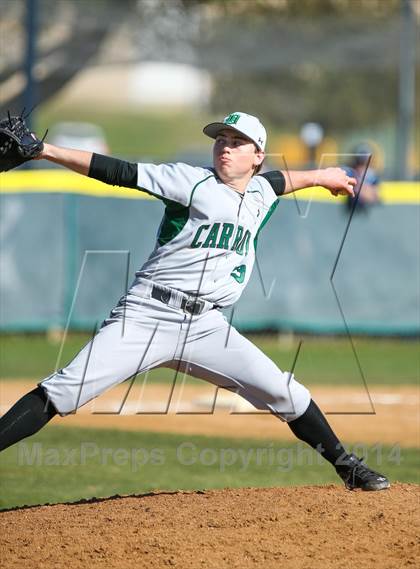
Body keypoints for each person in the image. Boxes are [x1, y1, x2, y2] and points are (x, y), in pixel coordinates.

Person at [0, 112, 390, 491]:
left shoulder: (260, 191)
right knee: (65, 390)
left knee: (285, 392)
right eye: (221, 139)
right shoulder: (188, 181)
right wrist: (43, 151)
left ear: (257, 156)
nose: (225, 146)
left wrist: (322, 176)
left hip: (206, 327)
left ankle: (348, 468)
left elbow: (279, 180)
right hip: (148, 314)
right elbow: (117, 171)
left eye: (237, 142)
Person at [344, 143, 381, 214]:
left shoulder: (372, 175)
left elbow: (375, 197)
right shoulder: (350, 173)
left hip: (366, 214)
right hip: (351, 211)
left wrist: (363, 190)